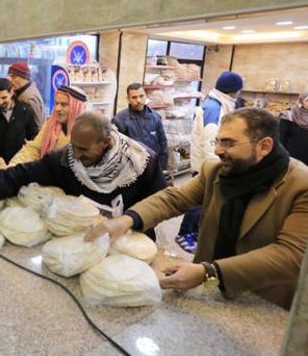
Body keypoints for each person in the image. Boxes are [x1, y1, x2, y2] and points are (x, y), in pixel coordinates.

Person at [85, 107, 308, 310]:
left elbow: (290, 255)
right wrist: (128, 219)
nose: (218, 150)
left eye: (228, 143)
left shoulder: (300, 185)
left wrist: (209, 272)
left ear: (264, 146)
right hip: (208, 291)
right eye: (218, 141)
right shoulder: (216, 171)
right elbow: (174, 199)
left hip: (261, 302)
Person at [0, 111, 166, 240]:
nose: (76, 155)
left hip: (128, 243)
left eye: (83, 149)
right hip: (81, 241)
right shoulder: (64, 160)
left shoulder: (141, 163)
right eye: (73, 146)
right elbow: (17, 176)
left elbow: (160, 205)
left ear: (105, 142)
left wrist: (129, 223)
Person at [177, 71, 245, 253]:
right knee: (198, 201)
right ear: (233, 90)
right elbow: (211, 142)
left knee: (202, 202)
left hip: (205, 162)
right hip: (206, 164)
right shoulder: (215, 108)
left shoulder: (218, 103)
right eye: (239, 90)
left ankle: (192, 232)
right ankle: (185, 233)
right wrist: (216, 168)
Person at [9, 85, 87, 166]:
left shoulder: (87, 131)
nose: (57, 108)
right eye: (56, 103)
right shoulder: (50, 124)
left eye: (64, 105)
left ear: (76, 107)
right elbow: (34, 149)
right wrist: (12, 166)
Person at [112, 83, 168, 169]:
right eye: (134, 97)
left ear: (146, 96)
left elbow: (163, 143)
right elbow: (116, 149)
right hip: (131, 168)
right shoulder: (119, 120)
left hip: (153, 165)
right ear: (128, 99)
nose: (138, 100)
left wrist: (162, 167)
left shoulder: (155, 117)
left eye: (141, 96)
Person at [7, 61, 46, 129]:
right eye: (10, 76)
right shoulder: (22, 91)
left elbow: (37, 126)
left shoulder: (29, 97)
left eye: (13, 77)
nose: (10, 80)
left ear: (24, 77)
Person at [279, 91, 308, 166]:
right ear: (301, 100)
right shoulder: (289, 115)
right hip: (291, 157)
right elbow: (280, 138)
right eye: (307, 100)